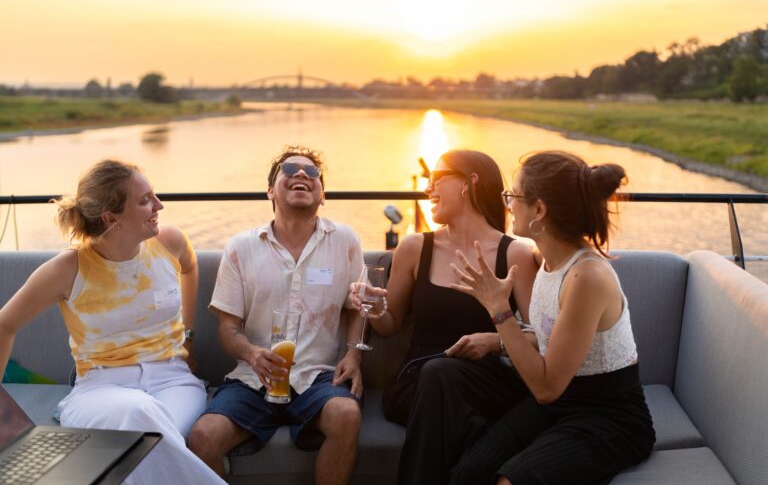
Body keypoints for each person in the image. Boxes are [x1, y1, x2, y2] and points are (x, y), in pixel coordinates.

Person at [0, 159, 224, 485]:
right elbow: (5, 324)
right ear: (110, 216)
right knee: (142, 418)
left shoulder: (169, 243)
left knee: (149, 443)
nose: (159, 205)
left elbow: (189, 268)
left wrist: (187, 336)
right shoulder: (69, 268)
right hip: (100, 388)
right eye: (145, 199)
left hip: (174, 381)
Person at [448, 150, 655, 484]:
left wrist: (499, 309)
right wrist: (499, 342)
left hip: (609, 417)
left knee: (510, 481)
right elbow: (552, 340)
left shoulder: (586, 277)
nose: (507, 203)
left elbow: (546, 387)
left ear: (539, 210)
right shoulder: (543, 259)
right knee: (468, 472)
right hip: (560, 404)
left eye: (513, 195)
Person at [357, 149, 538, 484]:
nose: (428, 188)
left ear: (469, 182)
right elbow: (389, 326)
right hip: (417, 381)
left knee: (447, 388)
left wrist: (495, 341)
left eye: (437, 178)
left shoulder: (515, 254)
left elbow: (540, 338)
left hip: (484, 382)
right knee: (438, 376)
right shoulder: (415, 247)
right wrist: (374, 308)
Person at [187, 146, 365, 484]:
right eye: (290, 170)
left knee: (346, 414)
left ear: (322, 194)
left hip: (319, 376)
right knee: (203, 437)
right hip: (255, 378)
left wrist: (354, 354)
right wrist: (253, 354)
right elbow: (228, 329)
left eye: (312, 173)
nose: (302, 175)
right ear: (271, 190)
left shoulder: (345, 241)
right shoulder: (241, 247)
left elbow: (356, 308)